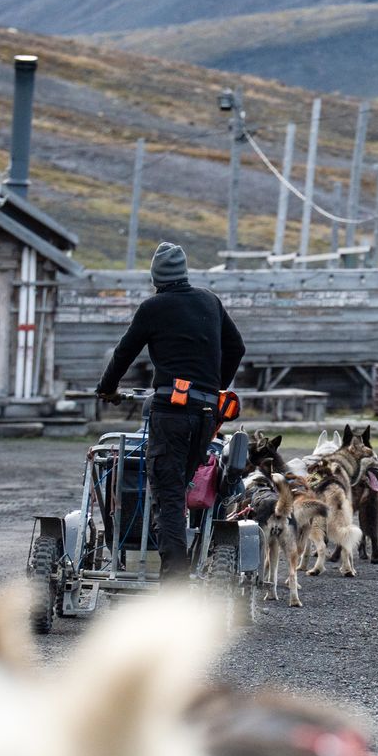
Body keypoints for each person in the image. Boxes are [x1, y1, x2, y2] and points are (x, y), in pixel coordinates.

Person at [95, 242, 245, 581]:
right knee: (182, 486)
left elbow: (124, 353)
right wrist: (211, 387)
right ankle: (189, 564)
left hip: (170, 415)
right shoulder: (210, 300)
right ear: (184, 272)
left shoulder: (154, 307)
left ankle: (173, 588)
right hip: (206, 415)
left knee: (170, 498)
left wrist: (107, 389)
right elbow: (237, 347)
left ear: (156, 278)